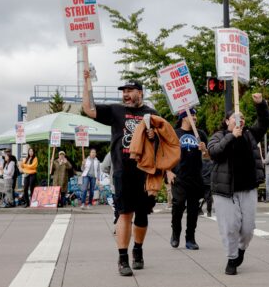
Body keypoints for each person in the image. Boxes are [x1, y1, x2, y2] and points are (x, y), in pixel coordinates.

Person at [82, 73, 157, 277]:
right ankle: (123, 258)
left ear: (140, 93)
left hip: (145, 172)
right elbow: (89, 109)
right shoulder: (116, 110)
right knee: (124, 213)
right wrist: (86, 84)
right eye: (123, 91)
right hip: (122, 172)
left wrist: (153, 136)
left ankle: (138, 250)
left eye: (130, 91)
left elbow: (161, 141)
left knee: (142, 215)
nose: (125, 94)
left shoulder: (151, 113)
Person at [207, 93, 269, 275]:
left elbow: (264, 122)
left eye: (242, 117)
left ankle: (241, 249)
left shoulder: (251, 135)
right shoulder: (218, 136)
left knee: (248, 228)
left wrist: (260, 104)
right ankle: (231, 258)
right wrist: (231, 137)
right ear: (227, 122)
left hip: (248, 188)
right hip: (225, 191)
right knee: (230, 227)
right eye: (235, 117)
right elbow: (214, 153)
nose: (239, 120)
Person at [168, 108, 208, 250]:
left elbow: (208, 156)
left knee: (193, 210)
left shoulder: (200, 134)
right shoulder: (174, 133)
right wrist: (167, 171)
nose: (195, 117)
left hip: (196, 177)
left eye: (195, 114)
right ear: (184, 117)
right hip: (179, 176)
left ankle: (190, 238)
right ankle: (175, 233)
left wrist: (204, 150)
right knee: (178, 206)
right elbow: (165, 154)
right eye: (191, 115)